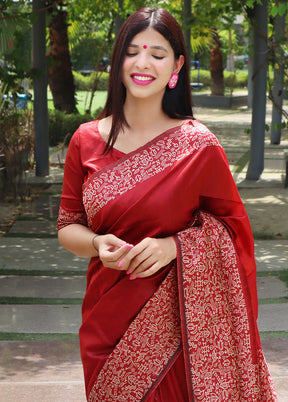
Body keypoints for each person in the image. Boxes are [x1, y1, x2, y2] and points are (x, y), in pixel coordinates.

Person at [57, 7, 277, 402]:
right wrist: (96, 244)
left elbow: (234, 231)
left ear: (176, 66)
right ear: (118, 59)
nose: (143, 64)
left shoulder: (198, 146)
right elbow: (68, 225)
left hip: (180, 329)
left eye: (157, 54)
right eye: (132, 51)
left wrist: (172, 247)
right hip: (106, 322)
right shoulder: (85, 140)